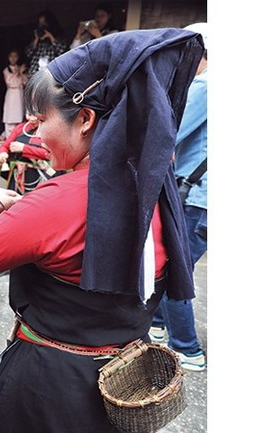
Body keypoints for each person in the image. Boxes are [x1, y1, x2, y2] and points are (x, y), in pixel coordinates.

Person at [0, 28, 204, 432]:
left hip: (47, 388)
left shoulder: (57, 201)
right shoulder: (156, 189)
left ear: (85, 119)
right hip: (121, 379)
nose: (33, 131)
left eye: (41, 119)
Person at [149, 22, 209, 372]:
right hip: (202, 195)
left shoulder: (204, 84)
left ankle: (187, 347)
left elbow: (170, 130)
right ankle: (157, 324)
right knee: (172, 260)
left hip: (199, 197)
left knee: (174, 270)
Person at [0, 113, 53, 194]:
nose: (32, 118)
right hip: (19, 174)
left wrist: (24, 148)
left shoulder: (48, 130)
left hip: (39, 174)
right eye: (29, 114)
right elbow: (4, 146)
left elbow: (49, 154)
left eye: (35, 115)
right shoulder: (20, 128)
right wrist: (2, 154)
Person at [25, 10, 67, 78]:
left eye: (44, 23)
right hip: (35, 74)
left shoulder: (58, 36)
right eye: (40, 23)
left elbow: (61, 51)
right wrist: (36, 39)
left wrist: (50, 36)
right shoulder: (36, 37)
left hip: (51, 75)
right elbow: (28, 53)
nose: (42, 26)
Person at [1, 48, 28, 137]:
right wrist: (18, 73)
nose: (13, 58)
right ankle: (8, 135)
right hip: (11, 94)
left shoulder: (20, 69)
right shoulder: (6, 70)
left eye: (15, 56)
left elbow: (25, 82)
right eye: (11, 56)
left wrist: (21, 73)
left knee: (19, 114)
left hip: (20, 94)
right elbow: (12, 83)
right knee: (10, 115)